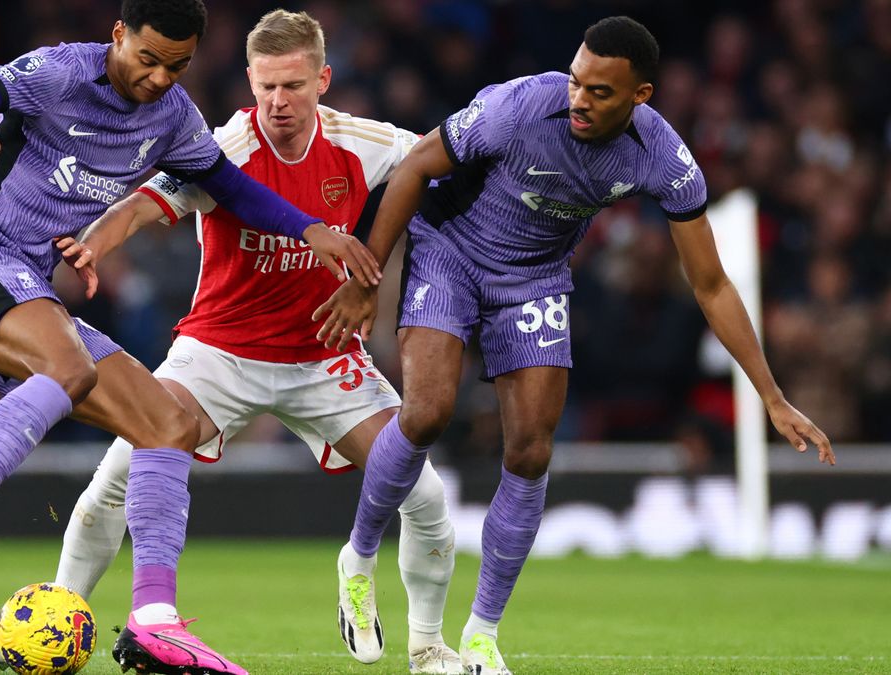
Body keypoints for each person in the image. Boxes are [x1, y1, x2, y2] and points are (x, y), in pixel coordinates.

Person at [313, 16, 837, 675]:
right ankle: (357, 560)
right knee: (427, 411)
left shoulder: (664, 160)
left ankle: (480, 637)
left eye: (600, 92)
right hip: (450, 251)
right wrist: (368, 280)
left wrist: (771, 394)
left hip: (533, 279)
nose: (579, 100)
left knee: (531, 451)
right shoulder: (521, 104)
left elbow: (710, 283)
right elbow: (418, 163)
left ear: (640, 96)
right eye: (578, 81)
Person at [0, 10, 462, 674]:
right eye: (266, 88)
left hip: (323, 354)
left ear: (323, 78)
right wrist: (94, 244)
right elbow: (142, 203)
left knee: (425, 497)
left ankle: (429, 647)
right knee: (116, 476)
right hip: (220, 354)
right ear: (250, 81)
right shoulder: (222, 149)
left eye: (294, 86)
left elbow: (437, 165)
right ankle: (46, 626)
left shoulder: (367, 142)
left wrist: (371, 273)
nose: (279, 103)